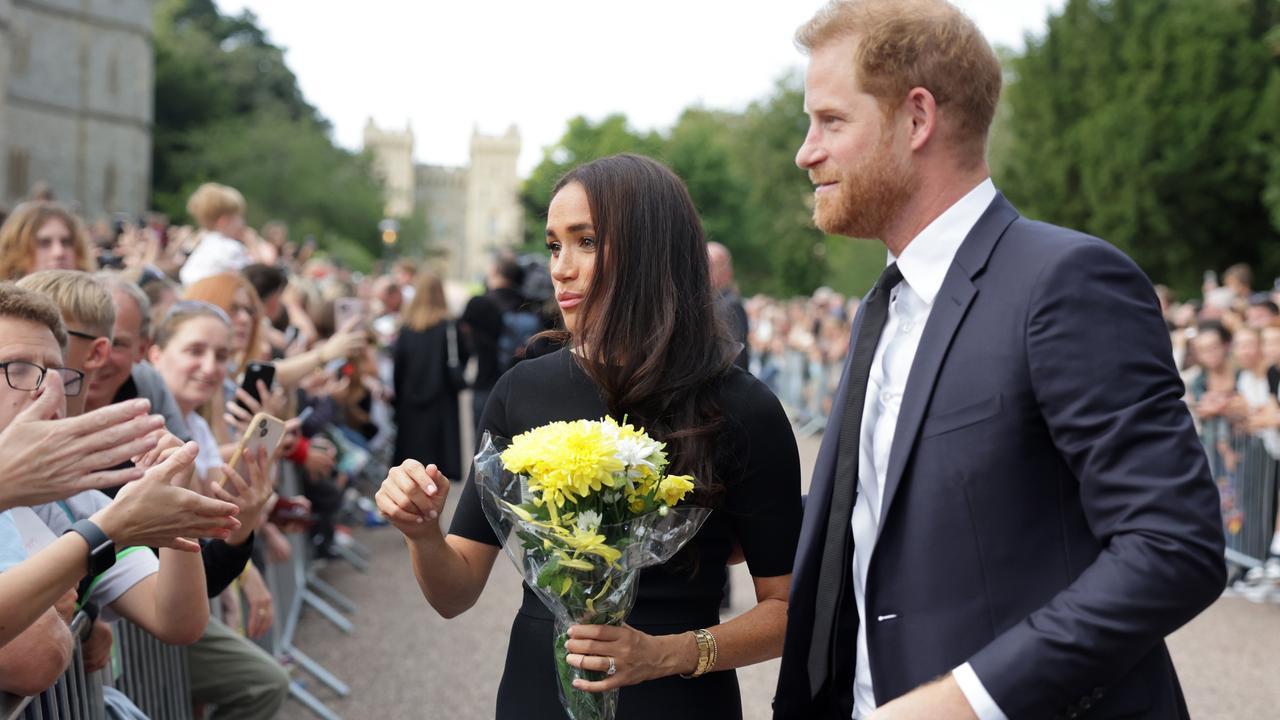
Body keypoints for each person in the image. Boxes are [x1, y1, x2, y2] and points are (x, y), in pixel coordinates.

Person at [774, 3, 1226, 719]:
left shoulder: (1065, 281)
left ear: (916, 118)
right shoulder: (881, 306)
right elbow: (902, 509)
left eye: (830, 121)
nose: (806, 151)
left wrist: (968, 701)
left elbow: (1173, 546)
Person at [377, 154, 802, 719]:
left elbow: (789, 608)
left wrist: (668, 654)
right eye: (554, 245)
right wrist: (423, 533)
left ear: (651, 251)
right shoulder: (521, 392)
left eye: (587, 242)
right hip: (537, 691)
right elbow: (455, 594)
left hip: (678, 700)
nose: (561, 267)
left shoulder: (741, 408)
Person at [391, 271, 467, 479]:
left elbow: (398, 370)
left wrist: (396, 403)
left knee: (411, 469)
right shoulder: (449, 327)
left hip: (410, 405)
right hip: (441, 404)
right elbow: (464, 356)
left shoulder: (406, 329)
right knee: (436, 471)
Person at [459, 253, 532, 433]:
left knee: (484, 456)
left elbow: (462, 344)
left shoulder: (478, 305)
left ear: (495, 271)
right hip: (523, 390)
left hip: (486, 386)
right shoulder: (531, 305)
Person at [0, 201, 97, 279]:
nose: (59, 252)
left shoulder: (97, 301)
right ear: (16, 250)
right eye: (44, 243)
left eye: (66, 242)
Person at [179, 183, 252, 286]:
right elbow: (253, 280)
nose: (243, 223)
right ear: (224, 222)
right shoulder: (231, 248)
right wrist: (253, 245)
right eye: (239, 217)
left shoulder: (202, 244)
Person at [708, 242, 749, 371]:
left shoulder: (730, 304)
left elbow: (734, 355)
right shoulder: (715, 302)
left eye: (711, 265)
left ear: (726, 270)